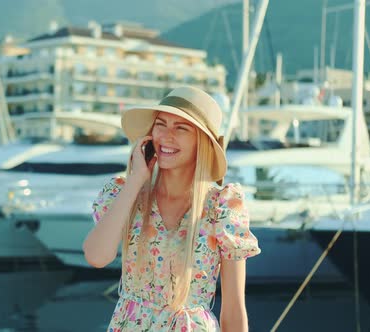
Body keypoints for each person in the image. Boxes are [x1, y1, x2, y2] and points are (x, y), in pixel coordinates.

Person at [83, 86, 261, 331]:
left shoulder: (222, 208)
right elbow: (96, 257)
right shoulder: (127, 194)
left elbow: (233, 310)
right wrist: (136, 180)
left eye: (181, 128)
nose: (166, 136)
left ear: (202, 142)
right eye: (160, 124)